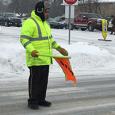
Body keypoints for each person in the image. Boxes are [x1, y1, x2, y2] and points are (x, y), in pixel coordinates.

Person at [20, 1, 68, 110]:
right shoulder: (30, 22)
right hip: (35, 58)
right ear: (40, 11)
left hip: (46, 58)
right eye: (46, 12)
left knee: (43, 81)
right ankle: (32, 101)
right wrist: (31, 50)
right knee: (35, 81)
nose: (48, 14)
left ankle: (41, 99)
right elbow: (23, 38)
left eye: (48, 12)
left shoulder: (45, 24)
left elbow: (50, 40)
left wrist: (59, 48)